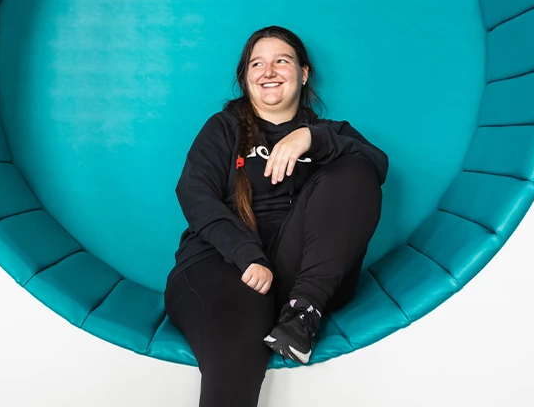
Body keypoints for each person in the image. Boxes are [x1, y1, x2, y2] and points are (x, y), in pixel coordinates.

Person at [164, 25, 388, 407]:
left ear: (302, 73)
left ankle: (303, 315)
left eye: (281, 61)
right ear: (245, 77)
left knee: (355, 168)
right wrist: (247, 255)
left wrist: (312, 139)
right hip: (224, 265)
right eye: (257, 63)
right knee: (239, 331)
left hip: (304, 280)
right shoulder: (223, 128)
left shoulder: (329, 133)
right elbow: (194, 193)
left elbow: (377, 167)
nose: (269, 71)